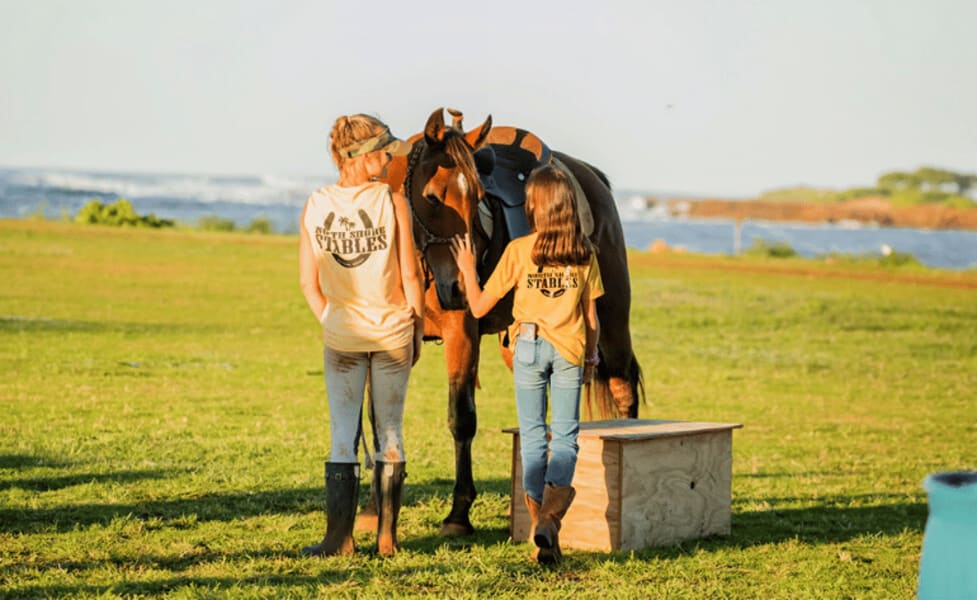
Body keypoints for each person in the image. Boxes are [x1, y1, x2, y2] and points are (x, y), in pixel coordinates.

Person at [451, 164, 603, 564]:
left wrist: (468, 270)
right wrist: (591, 357)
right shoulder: (585, 252)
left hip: (529, 348)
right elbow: (592, 320)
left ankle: (542, 524)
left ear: (535, 206)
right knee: (566, 439)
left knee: (534, 438)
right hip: (570, 350)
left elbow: (481, 306)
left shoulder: (519, 251)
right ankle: (549, 524)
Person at [298, 114, 424, 557]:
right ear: (366, 155)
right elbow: (410, 272)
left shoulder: (316, 205)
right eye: (385, 152)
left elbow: (308, 284)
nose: (390, 159)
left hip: (342, 337)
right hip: (393, 331)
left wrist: (331, 320)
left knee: (341, 435)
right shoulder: (394, 202)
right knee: (390, 432)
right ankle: (387, 538)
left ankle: (339, 539)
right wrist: (418, 325)